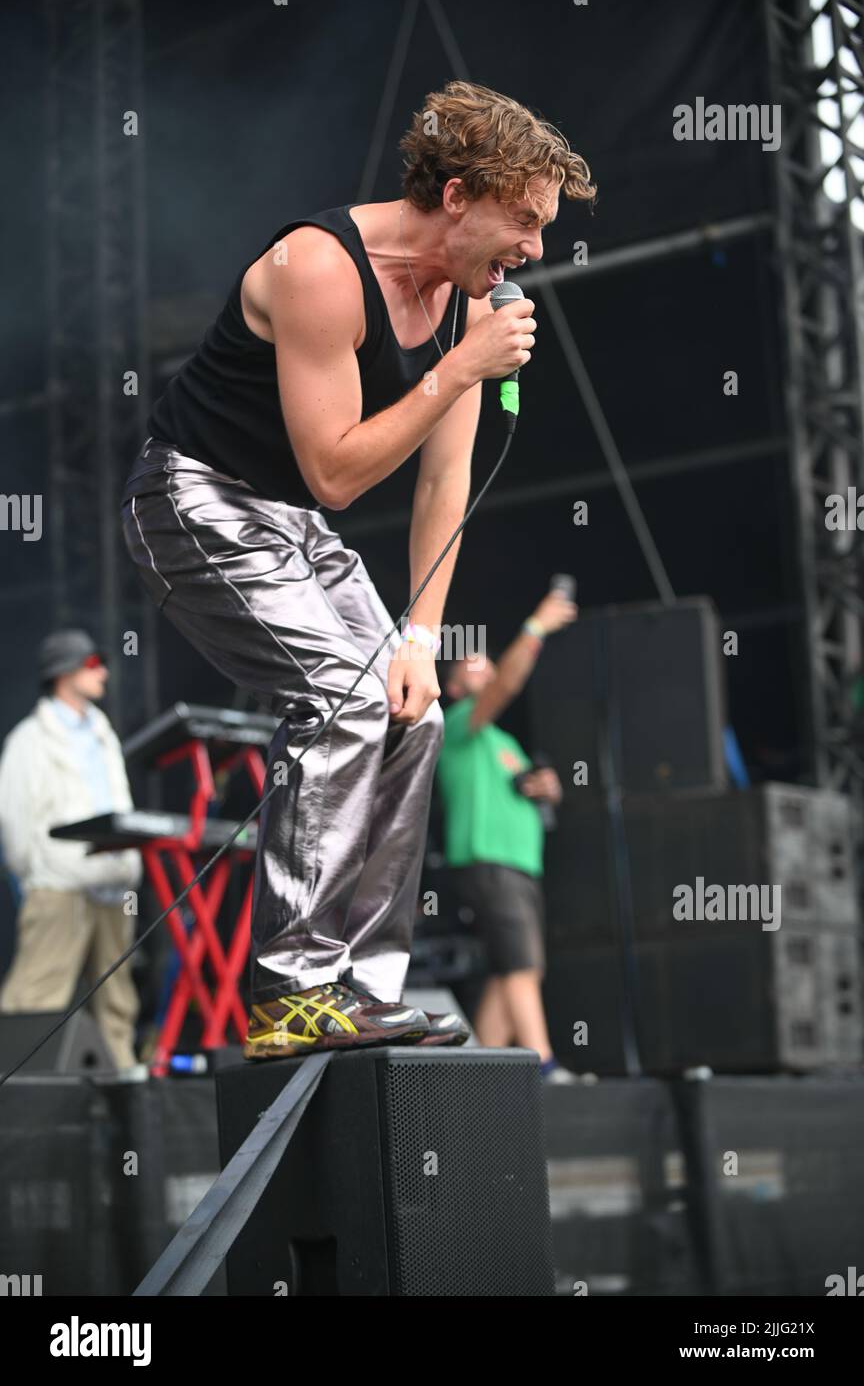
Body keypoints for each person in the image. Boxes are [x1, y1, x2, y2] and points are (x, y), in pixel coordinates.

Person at [121, 80, 596, 1060]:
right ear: (458, 195)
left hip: (286, 517)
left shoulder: (463, 310)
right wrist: (459, 372)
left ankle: (361, 983)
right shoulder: (319, 269)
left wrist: (423, 638)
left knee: (406, 708)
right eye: (526, 221)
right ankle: (291, 988)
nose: (536, 252)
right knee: (342, 693)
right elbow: (337, 470)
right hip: (191, 499)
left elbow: (443, 481)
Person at [436, 591, 578, 1082]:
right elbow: (507, 686)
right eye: (473, 666)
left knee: (512, 969)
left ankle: (476, 1076)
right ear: (454, 689)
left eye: (486, 661)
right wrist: (534, 627)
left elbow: (528, 790)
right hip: (487, 860)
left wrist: (549, 790)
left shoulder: (506, 743)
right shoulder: (457, 723)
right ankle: (544, 1062)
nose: (487, 669)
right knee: (521, 966)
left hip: (520, 863)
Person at [0, 630, 142, 1069]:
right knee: (35, 999)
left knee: (117, 1006)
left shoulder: (103, 733)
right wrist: (41, 877)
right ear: (65, 672)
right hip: (59, 887)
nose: (103, 671)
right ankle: (18, 1101)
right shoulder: (29, 741)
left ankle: (125, 1102)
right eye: (93, 662)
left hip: (112, 886)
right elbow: (15, 823)